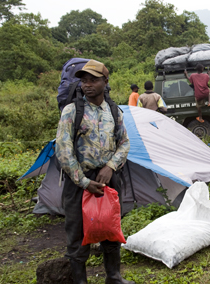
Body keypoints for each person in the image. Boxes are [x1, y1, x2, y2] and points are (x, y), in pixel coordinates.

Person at [55, 59, 134, 284]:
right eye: (84, 81)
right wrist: (83, 181)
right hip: (80, 182)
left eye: (93, 80)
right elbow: (63, 149)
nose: (87, 85)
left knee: (110, 227)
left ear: (105, 82)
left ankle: (114, 277)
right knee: (77, 234)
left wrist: (110, 166)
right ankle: (80, 281)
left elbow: (124, 142)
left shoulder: (113, 111)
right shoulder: (72, 111)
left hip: (108, 179)